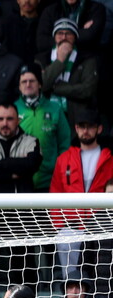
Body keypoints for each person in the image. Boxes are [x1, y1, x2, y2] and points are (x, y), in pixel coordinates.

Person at [49, 109, 113, 280]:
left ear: (99, 129)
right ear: (76, 129)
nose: (86, 131)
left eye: (90, 127)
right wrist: (60, 225)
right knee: (66, 244)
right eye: (82, 127)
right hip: (72, 225)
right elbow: (55, 194)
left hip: (103, 225)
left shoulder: (110, 158)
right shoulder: (64, 159)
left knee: (102, 273)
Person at [15, 64, 71, 192]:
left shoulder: (55, 108)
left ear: (40, 84)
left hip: (50, 181)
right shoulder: (12, 110)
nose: (28, 84)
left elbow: (64, 143)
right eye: (24, 81)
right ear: (19, 86)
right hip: (21, 182)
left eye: (32, 81)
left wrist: (59, 170)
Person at [35, 18, 98, 129]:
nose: (64, 37)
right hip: (46, 115)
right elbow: (40, 86)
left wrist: (55, 87)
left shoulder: (87, 59)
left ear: (75, 37)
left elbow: (87, 90)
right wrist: (59, 61)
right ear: (54, 36)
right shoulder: (41, 58)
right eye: (60, 33)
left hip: (76, 117)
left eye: (68, 33)